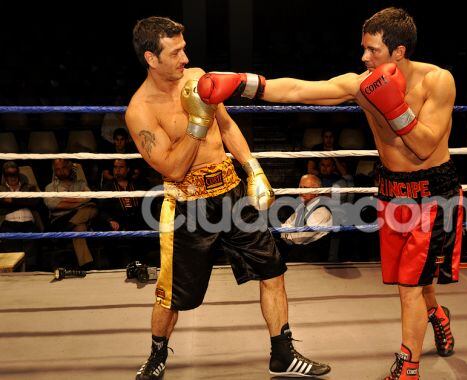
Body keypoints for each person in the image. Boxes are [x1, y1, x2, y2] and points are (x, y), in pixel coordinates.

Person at [198, 7, 462, 380]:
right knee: (416, 284)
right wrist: (244, 82)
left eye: (372, 50)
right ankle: (438, 315)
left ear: (399, 51)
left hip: (433, 194)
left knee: (410, 287)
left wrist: (395, 106)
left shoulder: (438, 81)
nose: (364, 57)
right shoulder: (361, 84)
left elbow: (424, 144)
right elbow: (298, 89)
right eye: (364, 49)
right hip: (391, 192)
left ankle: (408, 369)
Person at [126, 17, 330, 380]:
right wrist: (197, 122)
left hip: (232, 193)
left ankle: (282, 354)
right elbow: (172, 168)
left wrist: (254, 169)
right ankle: (157, 355)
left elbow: (228, 126)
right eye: (175, 52)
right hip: (188, 206)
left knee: (273, 271)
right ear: (151, 58)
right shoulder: (140, 110)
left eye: (184, 48)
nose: (185, 58)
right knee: (172, 297)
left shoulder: (197, 77)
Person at [44, 159, 98, 268]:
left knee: (93, 208)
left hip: (78, 215)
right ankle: (87, 266)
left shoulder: (80, 184)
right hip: (60, 219)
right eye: (57, 169)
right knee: (80, 227)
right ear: (54, 171)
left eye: (63, 168)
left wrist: (65, 200)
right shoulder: (49, 187)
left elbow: (88, 197)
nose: (61, 172)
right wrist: (78, 200)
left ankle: (85, 265)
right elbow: (53, 205)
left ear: (69, 167)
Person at [279, 174, 333, 262]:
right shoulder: (301, 207)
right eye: (300, 187)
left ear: (316, 192)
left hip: (311, 262)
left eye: (305, 188)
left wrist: (284, 233)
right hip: (295, 255)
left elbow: (299, 239)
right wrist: (285, 232)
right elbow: (288, 223)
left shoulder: (322, 212)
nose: (301, 191)